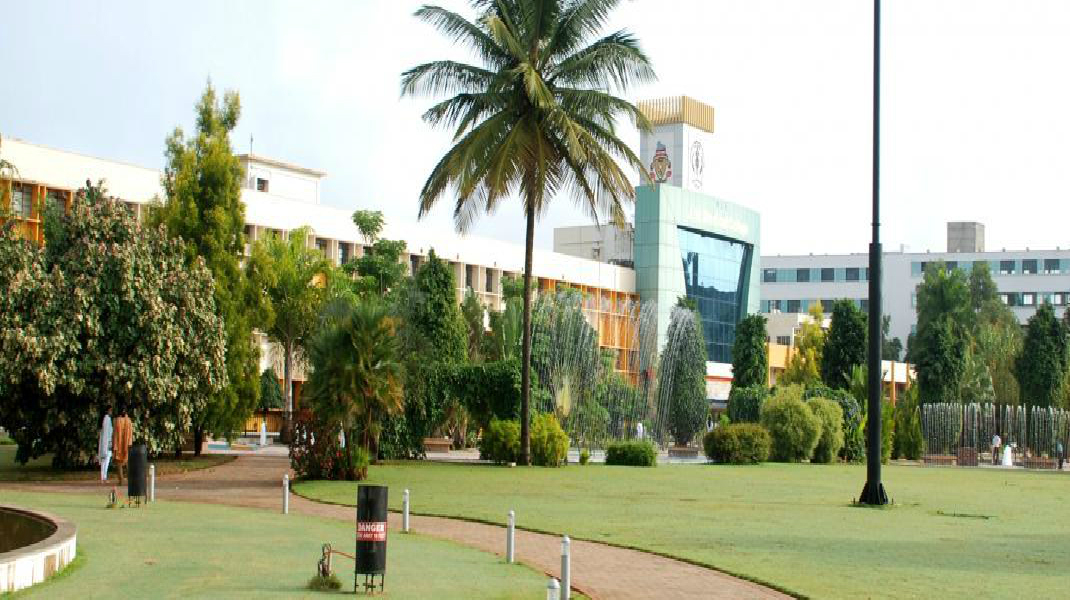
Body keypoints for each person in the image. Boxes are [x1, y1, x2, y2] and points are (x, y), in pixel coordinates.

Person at [112, 409, 133, 485]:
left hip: (119, 445)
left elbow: (114, 434)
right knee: (127, 462)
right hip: (126, 444)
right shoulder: (129, 421)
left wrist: (114, 444)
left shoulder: (117, 420)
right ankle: (130, 480)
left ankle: (121, 480)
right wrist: (130, 443)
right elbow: (130, 433)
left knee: (119, 463)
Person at [98, 409, 113, 483]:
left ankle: (103, 477)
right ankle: (104, 477)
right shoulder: (107, 419)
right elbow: (107, 434)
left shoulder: (104, 419)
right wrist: (106, 445)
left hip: (105, 443)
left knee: (104, 461)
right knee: (105, 460)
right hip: (107, 443)